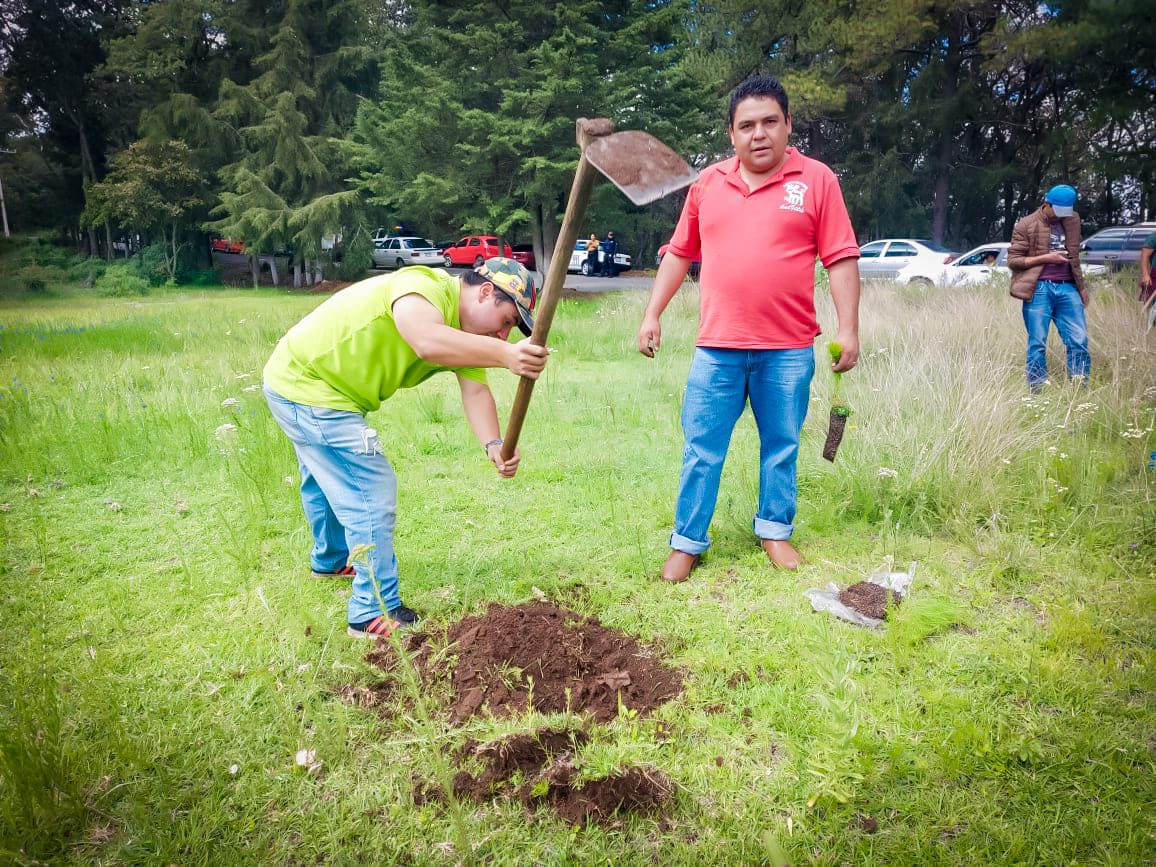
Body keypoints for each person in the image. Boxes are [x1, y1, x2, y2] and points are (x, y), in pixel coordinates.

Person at [637, 73, 861, 583]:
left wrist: (849, 328)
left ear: (787, 126)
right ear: (731, 134)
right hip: (717, 347)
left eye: (769, 122)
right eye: (746, 125)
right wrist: (652, 313)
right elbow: (679, 254)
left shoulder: (817, 180)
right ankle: (687, 542)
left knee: (781, 443)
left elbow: (842, 258)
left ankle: (774, 532)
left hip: (787, 349)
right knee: (701, 447)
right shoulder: (708, 184)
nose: (758, 134)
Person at [262, 258, 548, 638]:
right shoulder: (422, 287)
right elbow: (425, 340)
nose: (504, 336)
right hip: (310, 388)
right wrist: (507, 357)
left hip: (297, 381)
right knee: (370, 491)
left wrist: (494, 444)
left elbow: (476, 390)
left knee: (324, 477)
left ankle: (330, 560)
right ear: (484, 292)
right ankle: (371, 611)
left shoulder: (463, 334)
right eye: (508, 322)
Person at [1006, 184, 1089, 391]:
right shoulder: (1026, 224)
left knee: (1078, 341)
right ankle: (1037, 390)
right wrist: (1046, 258)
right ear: (1046, 204)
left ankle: (1080, 389)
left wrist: (1081, 288)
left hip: (1068, 287)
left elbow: (1075, 258)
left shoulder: (1073, 220)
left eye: (1066, 211)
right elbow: (1013, 261)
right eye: (1058, 211)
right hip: (1038, 288)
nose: (1061, 216)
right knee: (1038, 343)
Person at [1140, 228, 1156, 309]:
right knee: (1151, 304)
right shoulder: (1154, 236)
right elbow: (1144, 255)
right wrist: (1145, 275)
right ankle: (1149, 321)